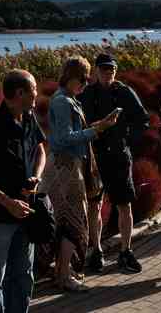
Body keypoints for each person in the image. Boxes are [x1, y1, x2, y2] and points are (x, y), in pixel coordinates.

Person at [42, 56, 118, 292]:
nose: (86, 84)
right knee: (72, 221)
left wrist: (98, 125)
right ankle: (64, 275)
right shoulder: (63, 102)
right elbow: (65, 139)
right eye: (83, 79)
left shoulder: (67, 99)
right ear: (72, 77)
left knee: (69, 220)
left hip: (69, 166)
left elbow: (72, 133)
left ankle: (62, 271)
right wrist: (98, 130)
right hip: (66, 168)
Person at [0, 70, 46, 313]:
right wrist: (8, 202)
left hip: (26, 216)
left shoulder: (29, 117)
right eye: (34, 89)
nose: (38, 93)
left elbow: (40, 150)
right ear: (20, 93)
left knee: (24, 277)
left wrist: (37, 174)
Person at [79, 53, 150, 275]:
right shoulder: (87, 94)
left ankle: (126, 251)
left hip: (119, 156)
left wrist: (126, 140)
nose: (108, 73)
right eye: (103, 69)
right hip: (94, 157)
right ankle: (96, 250)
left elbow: (142, 119)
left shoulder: (124, 92)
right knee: (94, 205)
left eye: (111, 69)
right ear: (96, 72)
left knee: (124, 204)